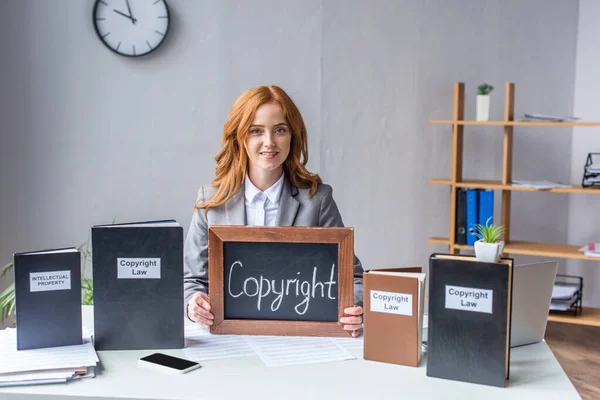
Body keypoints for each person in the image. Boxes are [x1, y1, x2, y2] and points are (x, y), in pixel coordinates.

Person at [183, 85, 364, 337]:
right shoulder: (212, 202)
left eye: (280, 130)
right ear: (240, 138)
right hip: (229, 340)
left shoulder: (317, 200)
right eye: (256, 131)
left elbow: (354, 280)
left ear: (293, 136)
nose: (269, 142)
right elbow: (190, 282)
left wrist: (353, 308)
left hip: (299, 339)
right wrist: (193, 305)